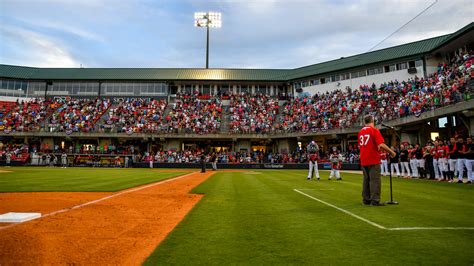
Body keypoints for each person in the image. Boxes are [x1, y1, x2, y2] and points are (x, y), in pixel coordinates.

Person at [358, 115, 396, 206]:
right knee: (375, 180)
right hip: (373, 158)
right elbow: (381, 144)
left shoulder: (360, 132)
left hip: (363, 158)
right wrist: (391, 152)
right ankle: (375, 200)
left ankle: (366, 199)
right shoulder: (374, 130)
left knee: (366, 180)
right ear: (372, 121)